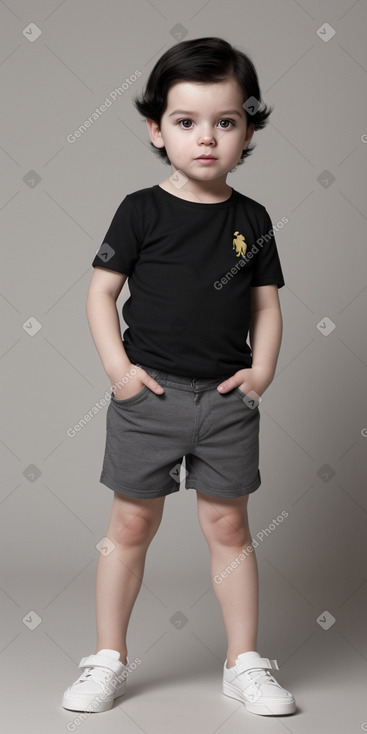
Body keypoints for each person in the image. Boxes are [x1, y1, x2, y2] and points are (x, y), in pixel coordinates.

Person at [62, 36, 296, 718]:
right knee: (130, 525)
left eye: (225, 122)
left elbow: (266, 304)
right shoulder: (140, 211)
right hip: (149, 397)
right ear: (156, 130)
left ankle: (243, 662)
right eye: (186, 122)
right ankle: (108, 657)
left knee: (228, 527)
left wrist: (261, 371)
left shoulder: (250, 220)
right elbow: (100, 293)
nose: (206, 138)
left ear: (247, 128)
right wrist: (120, 371)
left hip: (224, 403)